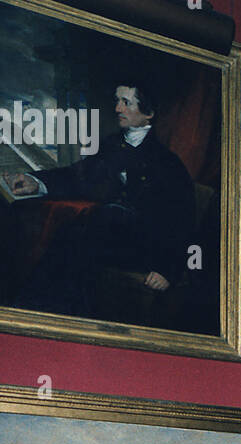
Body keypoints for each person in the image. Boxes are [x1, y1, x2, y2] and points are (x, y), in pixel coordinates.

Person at [9, 83, 194, 318]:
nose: (117, 108)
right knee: (73, 234)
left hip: (146, 248)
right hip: (107, 237)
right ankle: (37, 312)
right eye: (117, 100)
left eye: (126, 102)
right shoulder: (112, 146)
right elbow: (78, 175)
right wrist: (37, 181)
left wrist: (167, 270)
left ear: (149, 112)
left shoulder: (167, 162)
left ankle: (45, 313)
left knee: (89, 229)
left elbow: (182, 219)